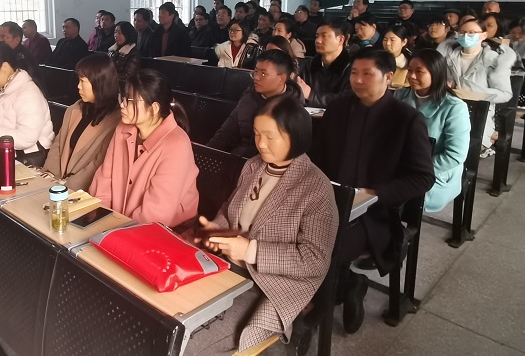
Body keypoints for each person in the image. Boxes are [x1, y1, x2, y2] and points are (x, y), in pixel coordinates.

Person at [188, 96, 337, 354]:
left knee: (198, 343)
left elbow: (315, 260)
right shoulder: (253, 166)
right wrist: (217, 230)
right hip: (231, 268)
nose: (261, 143)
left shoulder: (316, 187)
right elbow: (230, 210)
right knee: (178, 316)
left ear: (295, 136)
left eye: (270, 136)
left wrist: (250, 251)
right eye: (257, 134)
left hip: (272, 284)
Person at [310, 48, 434, 334]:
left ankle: (318, 309)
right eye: (354, 73)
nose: (358, 80)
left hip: (373, 214)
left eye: (367, 74)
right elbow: (317, 157)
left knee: (323, 245)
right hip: (330, 201)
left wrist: (374, 192)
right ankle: (347, 284)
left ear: (388, 77)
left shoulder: (406, 119)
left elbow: (423, 177)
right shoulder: (338, 108)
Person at [89, 69, 199, 228]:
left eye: (129, 100)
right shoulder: (123, 128)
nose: (122, 105)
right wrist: (101, 219)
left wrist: (114, 230)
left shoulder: (177, 145)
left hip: (165, 233)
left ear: (154, 108)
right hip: (117, 225)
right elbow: (104, 180)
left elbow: (155, 214)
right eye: (122, 98)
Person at [395, 49, 470, 212]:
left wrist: (416, 170)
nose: (412, 76)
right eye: (410, 70)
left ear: (436, 73)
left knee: (391, 196)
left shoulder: (454, 107)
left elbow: (455, 155)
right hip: (399, 166)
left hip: (435, 172)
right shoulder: (399, 96)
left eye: (419, 71)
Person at [43, 54, 121, 191]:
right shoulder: (75, 109)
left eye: (83, 81)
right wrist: (50, 175)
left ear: (99, 82)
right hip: (56, 183)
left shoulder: (117, 120)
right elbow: (58, 144)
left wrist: (67, 186)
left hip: (82, 190)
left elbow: (97, 164)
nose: (78, 86)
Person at [438, 18, 515, 155]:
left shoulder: (494, 60)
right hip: (448, 110)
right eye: (462, 32)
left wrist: (474, 93)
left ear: (484, 35)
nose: (466, 36)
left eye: (472, 33)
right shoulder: (448, 57)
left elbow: (505, 94)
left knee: (459, 147)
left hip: (478, 115)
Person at [207, 51, 303, 157]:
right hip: (239, 157)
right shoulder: (248, 99)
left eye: (263, 74)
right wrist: (206, 155)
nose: (256, 77)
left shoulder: (293, 109)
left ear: (281, 78)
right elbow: (225, 134)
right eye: (256, 72)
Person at [297, 20, 352, 108]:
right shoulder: (309, 65)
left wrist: (311, 95)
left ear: (341, 40)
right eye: (316, 36)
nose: (318, 41)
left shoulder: (351, 67)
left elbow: (347, 100)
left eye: (324, 36)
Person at [108, 21, 140, 88]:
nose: (116, 35)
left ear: (127, 34)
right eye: (115, 32)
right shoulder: (112, 50)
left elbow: (127, 75)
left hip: (124, 87)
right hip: (110, 84)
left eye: (120, 33)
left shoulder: (133, 52)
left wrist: (108, 75)